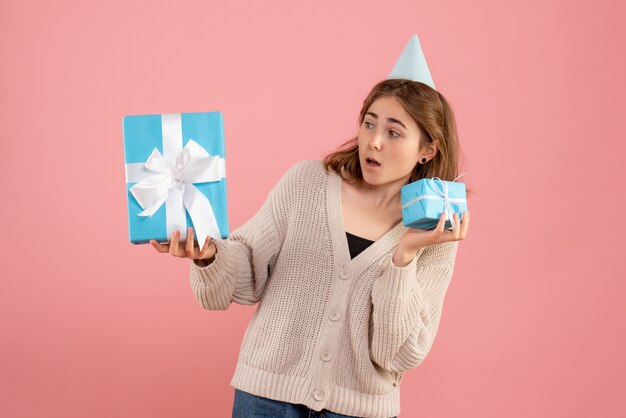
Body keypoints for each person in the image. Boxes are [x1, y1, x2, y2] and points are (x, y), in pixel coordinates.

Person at [150, 78, 470, 418]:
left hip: (359, 412)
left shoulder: (434, 235)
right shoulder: (307, 184)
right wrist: (209, 256)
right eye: (369, 123)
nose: (373, 142)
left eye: (394, 132)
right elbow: (248, 267)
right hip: (265, 401)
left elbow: (398, 354)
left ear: (428, 150)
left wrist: (403, 258)